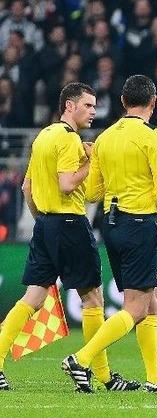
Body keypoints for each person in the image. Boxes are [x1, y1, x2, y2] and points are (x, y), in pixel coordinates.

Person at [0, 83, 138, 392]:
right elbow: (66, 184)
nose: (93, 111)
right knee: (92, 299)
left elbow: (27, 188)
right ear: (69, 106)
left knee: (32, 298)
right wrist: (92, 160)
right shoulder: (68, 139)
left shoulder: (44, 136)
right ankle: (101, 375)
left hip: (46, 224)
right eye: (88, 106)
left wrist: (43, 223)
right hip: (70, 224)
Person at [61, 75, 157, 394]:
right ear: (154, 103)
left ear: (122, 102)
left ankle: (155, 379)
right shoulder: (154, 136)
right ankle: (81, 358)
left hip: (111, 224)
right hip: (140, 224)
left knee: (152, 299)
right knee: (137, 306)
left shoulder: (104, 138)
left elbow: (92, 193)